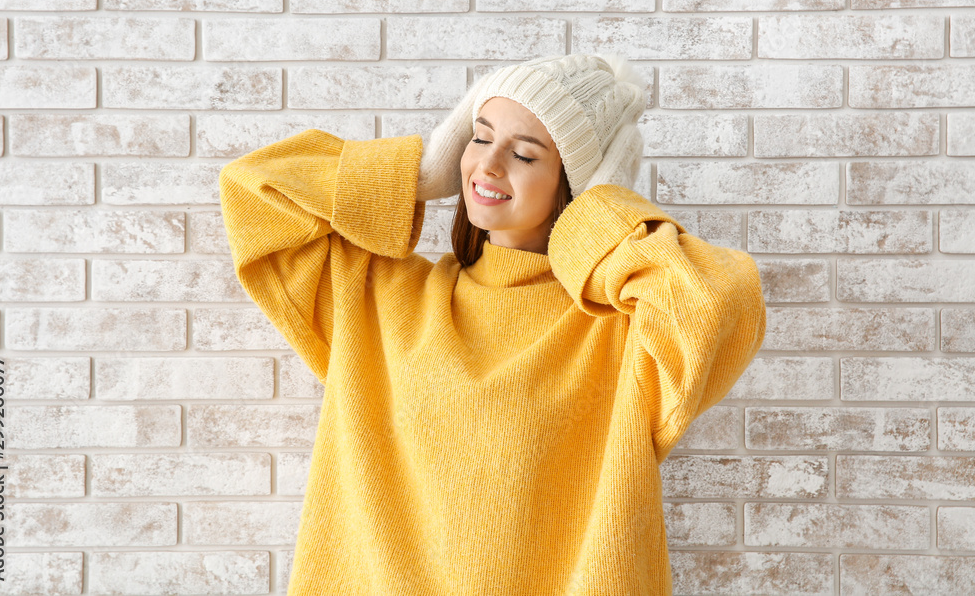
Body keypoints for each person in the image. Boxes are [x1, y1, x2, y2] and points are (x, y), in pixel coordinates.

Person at [218, 54, 767, 595]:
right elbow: (255, 190)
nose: (489, 165)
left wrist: (598, 208)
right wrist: (424, 172)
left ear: (574, 186)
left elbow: (721, 300)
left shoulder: (622, 331)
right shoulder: (381, 300)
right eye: (479, 138)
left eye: (525, 154)